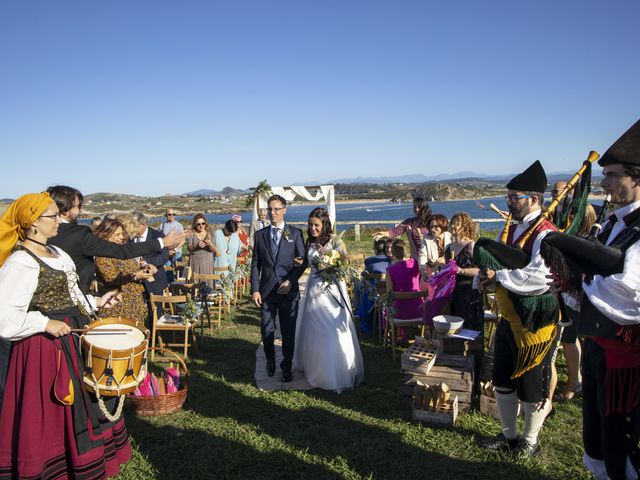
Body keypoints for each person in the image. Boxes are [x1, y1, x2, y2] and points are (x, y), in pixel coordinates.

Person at [0, 192, 130, 479]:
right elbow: (4, 317)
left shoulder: (59, 254)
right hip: (42, 349)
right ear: (33, 224)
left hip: (70, 340)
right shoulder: (20, 262)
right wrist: (43, 324)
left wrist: (97, 302)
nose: (58, 220)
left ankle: (80, 465)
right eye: (51, 216)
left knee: (81, 407)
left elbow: (73, 294)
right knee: (53, 410)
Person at [570, 120, 640, 479]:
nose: (605, 182)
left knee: (621, 444)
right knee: (595, 437)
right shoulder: (613, 224)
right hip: (598, 348)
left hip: (626, 361)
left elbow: (632, 292)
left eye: (613, 175)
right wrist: (570, 286)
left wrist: (582, 283)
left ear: (637, 179)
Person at [478, 160, 558, 458]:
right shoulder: (514, 229)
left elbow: (540, 277)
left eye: (515, 197)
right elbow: (500, 265)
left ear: (534, 199)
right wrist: (485, 281)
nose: (509, 203)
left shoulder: (545, 233)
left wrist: (496, 277)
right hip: (509, 317)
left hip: (534, 323)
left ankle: (530, 440)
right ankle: (509, 435)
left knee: (531, 385)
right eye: (508, 197)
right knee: (502, 378)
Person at [46, 186, 185, 294]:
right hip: (75, 300)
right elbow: (122, 251)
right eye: (78, 206)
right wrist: (163, 242)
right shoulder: (79, 233)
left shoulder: (43, 234)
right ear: (65, 208)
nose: (80, 211)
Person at [293, 207, 364, 392]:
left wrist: (333, 263)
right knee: (314, 328)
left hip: (332, 290)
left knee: (332, 328)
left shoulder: (335, 241)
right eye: (310, 225)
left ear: (324, 224)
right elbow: (306, 263)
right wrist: (299, 264)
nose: (312, 228)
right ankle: (316, 369)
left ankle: (336, 371)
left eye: (316, 225)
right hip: (314, 289)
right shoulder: (309, 242)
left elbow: (346, 260)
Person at [251, 195, 306, 383]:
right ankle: (270, 358)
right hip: (266, 292)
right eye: (270, 209)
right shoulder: (260, 235)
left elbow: (302, 262)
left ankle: (287, 367)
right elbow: (255, 264)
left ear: (284, 210)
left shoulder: (295, 233)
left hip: (288, 292)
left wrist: (290, 281)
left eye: (276, 209)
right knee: (267, 330)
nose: (272, 213)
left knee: (288, 332)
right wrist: (255, 289)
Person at [94, 218, 154, 324]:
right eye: (117, 234)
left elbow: (131, 269)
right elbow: (112, 280)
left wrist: (144, 268)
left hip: (134, 306)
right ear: (106, 235)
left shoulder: (122, 251)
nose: (122, 237)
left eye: (122, 234)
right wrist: (135, 275)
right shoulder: (102, 256)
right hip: (117, 308)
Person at [445, 212, 482, 331]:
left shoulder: (471, 246)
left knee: (469, 327)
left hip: (470, 293)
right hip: (453, 293)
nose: (453, 226)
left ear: (465, 226)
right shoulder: (448, 248)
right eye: (452, 223)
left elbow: (480, 270)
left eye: (457, 224)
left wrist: (460, 270)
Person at [386, 239, 424, 339]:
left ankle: (398, 334)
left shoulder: (390, 269)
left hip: (400, 314)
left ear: (393, 252)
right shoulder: (415, 263)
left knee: (388, 306)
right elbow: (415, 252)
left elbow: (389, 293)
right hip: (418, 310)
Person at [131, 211, 170, 300]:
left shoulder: (157, 236)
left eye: (135, 226)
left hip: (155, 281)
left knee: (155, 311)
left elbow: (164, 255)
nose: (132, 229)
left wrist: (146, 262)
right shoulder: (130, 237)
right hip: (136, 282)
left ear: (144, 224)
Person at [356, 238, 390, 334]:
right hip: (387, 289)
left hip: (375, 290)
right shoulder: (390, 260)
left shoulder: (369, 260)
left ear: (375, 249)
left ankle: (359, 311)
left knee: (361, 286)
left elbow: (365, 274)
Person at [187, 214, 219, 287]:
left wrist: (210, 244)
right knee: (195, 283)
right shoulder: (191, 233)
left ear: (205, 223)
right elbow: (189, 248)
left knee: (207, 281)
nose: (201, 226)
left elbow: (214, 249)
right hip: (195, 261)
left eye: (203, 223)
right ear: (195, 224)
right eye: (198, 224)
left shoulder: (210, 233)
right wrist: (197, 246)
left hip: (208, 262)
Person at [418, 214, 451, 278]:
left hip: (449, 272)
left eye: (435, 226)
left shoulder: (451, 237)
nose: (433, 229)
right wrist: (422, 270)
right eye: (431, 227)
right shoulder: (426, 238)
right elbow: (422, 255)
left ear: (442, 225)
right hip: (434, 274)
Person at [160, 208, 185, 282]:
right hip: (166, 252)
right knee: (167, 271)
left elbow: (183, 240)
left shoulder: (179, 225)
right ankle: (170, 288)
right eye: (169, 214)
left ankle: (179, 289)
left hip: (177, 252)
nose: (171, 216)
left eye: (173, 214)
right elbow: (161, 240)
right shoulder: (162, 226)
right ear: (166, 215)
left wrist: (175, 249)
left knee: (179, 272)